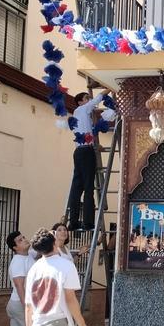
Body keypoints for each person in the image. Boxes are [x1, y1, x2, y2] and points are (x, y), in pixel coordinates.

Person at [66, 88, 110, 231]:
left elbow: (87, 135)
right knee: (88, 187)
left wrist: (96, 146)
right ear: (80, 102)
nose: (89, 101)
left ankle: (73, 222)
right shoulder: (82, 110)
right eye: (86, 98)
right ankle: (88, 222)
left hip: (79, 151)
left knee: (77, 187)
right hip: (85, 153)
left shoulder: (81, 116)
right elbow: (96, 100)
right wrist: (106, 91)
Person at [5, 230, 36, 326]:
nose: (24, 240)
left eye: (23, 237)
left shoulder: (29, 255)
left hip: (16, 304)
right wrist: (27, 307)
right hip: (19, 304)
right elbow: (19, 285)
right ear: (15, 248)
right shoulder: (17, 261)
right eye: (20, 240)